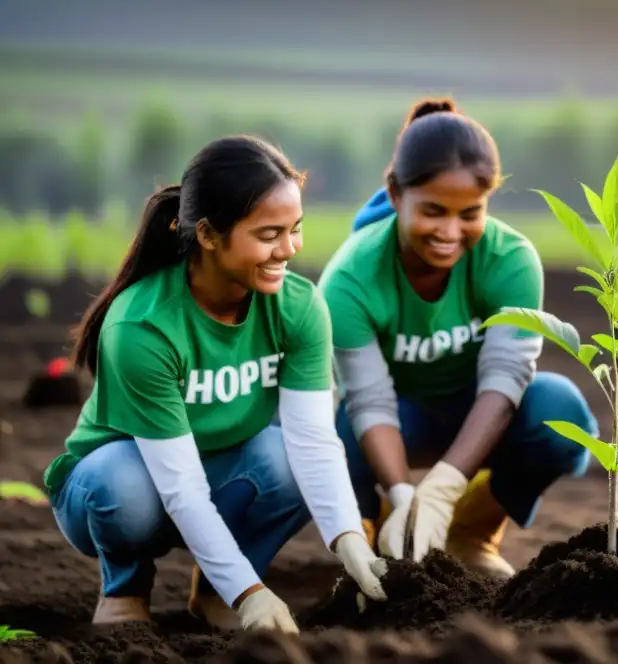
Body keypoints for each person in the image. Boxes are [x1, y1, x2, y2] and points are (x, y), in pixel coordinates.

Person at [43, 136, 387, 633]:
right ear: (207, 234)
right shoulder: (144, 326)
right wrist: (251, 596)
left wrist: (348, 539)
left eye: (296, 229)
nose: (289, 249)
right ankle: (125, 586)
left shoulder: (298, 306)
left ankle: (214, 590)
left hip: (222, 466)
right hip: (117, 483)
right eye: (270, 233)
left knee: (288, 455)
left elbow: (313, 441)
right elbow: (179, 485)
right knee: (125, 487)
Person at [318, 98, 598, 578]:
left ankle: (472, 533)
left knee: (560, 412)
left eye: (470, 213)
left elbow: (506, 377)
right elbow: (370, 401)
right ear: (394, 193)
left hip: (482, 413)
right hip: (402, 421)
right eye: (432, 211)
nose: (450, 232)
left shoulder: (509, 260)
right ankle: (374, 541)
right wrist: (405, 493)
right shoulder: (350, 278)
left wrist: (445, 486)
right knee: (340, 435)